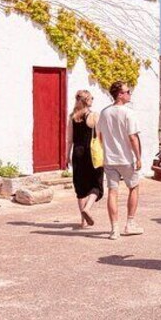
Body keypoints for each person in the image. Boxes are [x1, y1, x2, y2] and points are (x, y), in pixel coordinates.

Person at [96, 81, 143, 240]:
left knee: (112, 192)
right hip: (125, 158)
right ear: (120, 94)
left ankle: (114, 229)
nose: (130, 94)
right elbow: (133, 137)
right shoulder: (128, 113)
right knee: (134, 187)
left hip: (110, 158)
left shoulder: (104, 113)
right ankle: (130, 223)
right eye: (127, 91)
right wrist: (138, 157)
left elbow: (100, 136)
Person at [66, 90, 104, 228]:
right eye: (92, 98)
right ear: (87, 100)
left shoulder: (72, 117)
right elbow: (100, 136)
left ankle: (83, 221)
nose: (93, 100)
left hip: (77, 153)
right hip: (92, 154)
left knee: (80, 187)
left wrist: (67, 156)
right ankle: (87, 208)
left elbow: (69, 140)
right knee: (96, 185)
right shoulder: (94, 116)